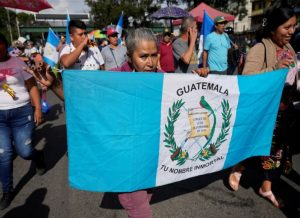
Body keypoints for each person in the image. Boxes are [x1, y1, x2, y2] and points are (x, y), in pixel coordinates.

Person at [228, 6, 298, 208]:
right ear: (273, 28)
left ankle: (266, 187)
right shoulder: (260, 48)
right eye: (287, 27)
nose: (292, 31)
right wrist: (275, 69)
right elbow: (247, 78)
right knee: (261, 147)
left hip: (285, 110)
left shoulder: (290, 49)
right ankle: (239, 166)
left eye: (294, 26)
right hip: (266, 112)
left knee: (279, 151)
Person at [0, 33, 45, 210]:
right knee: (4, 155)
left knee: (25, 151)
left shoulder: (18, 62)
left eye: (0, 44)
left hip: (21, 113)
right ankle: (7, 191)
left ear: (5, 45)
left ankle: (38, 156)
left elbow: (32, 86)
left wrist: (38, 108)